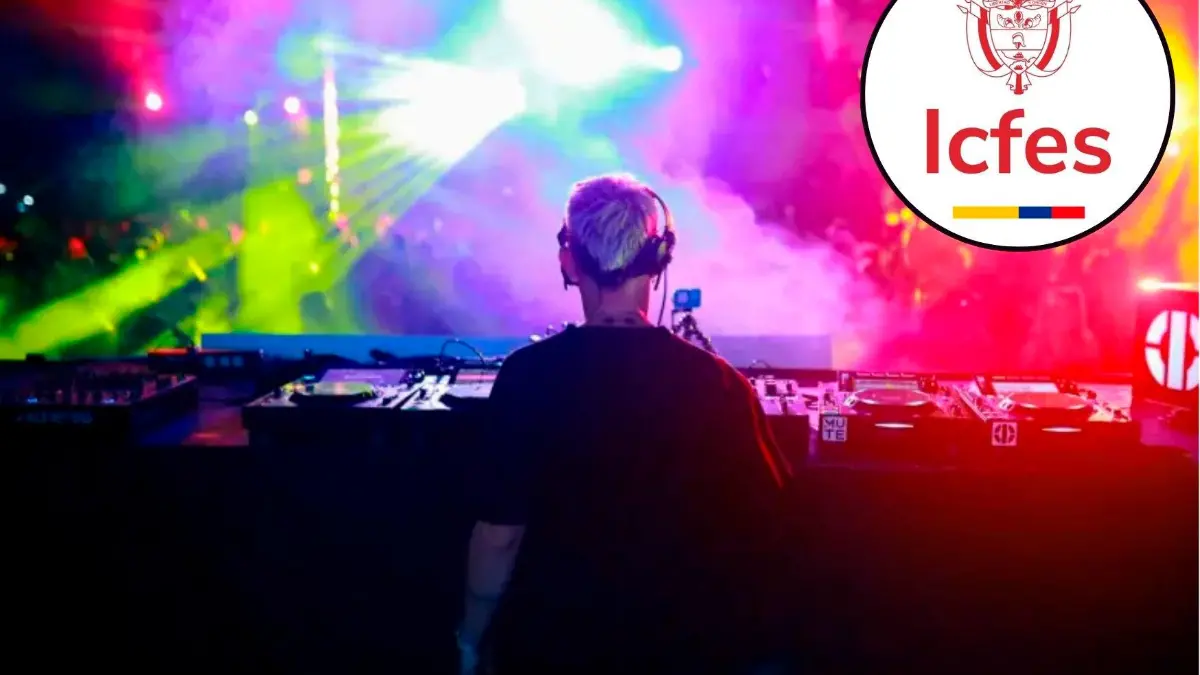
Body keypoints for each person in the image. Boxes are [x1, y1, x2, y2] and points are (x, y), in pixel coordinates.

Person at [457, 174, 794, 674]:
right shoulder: (719, 384)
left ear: (568, 260)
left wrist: (469, 640)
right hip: (682, 647)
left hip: (554, 645)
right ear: (660, 259)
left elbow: (499, 538)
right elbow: (765, 536)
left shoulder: (528, 376)